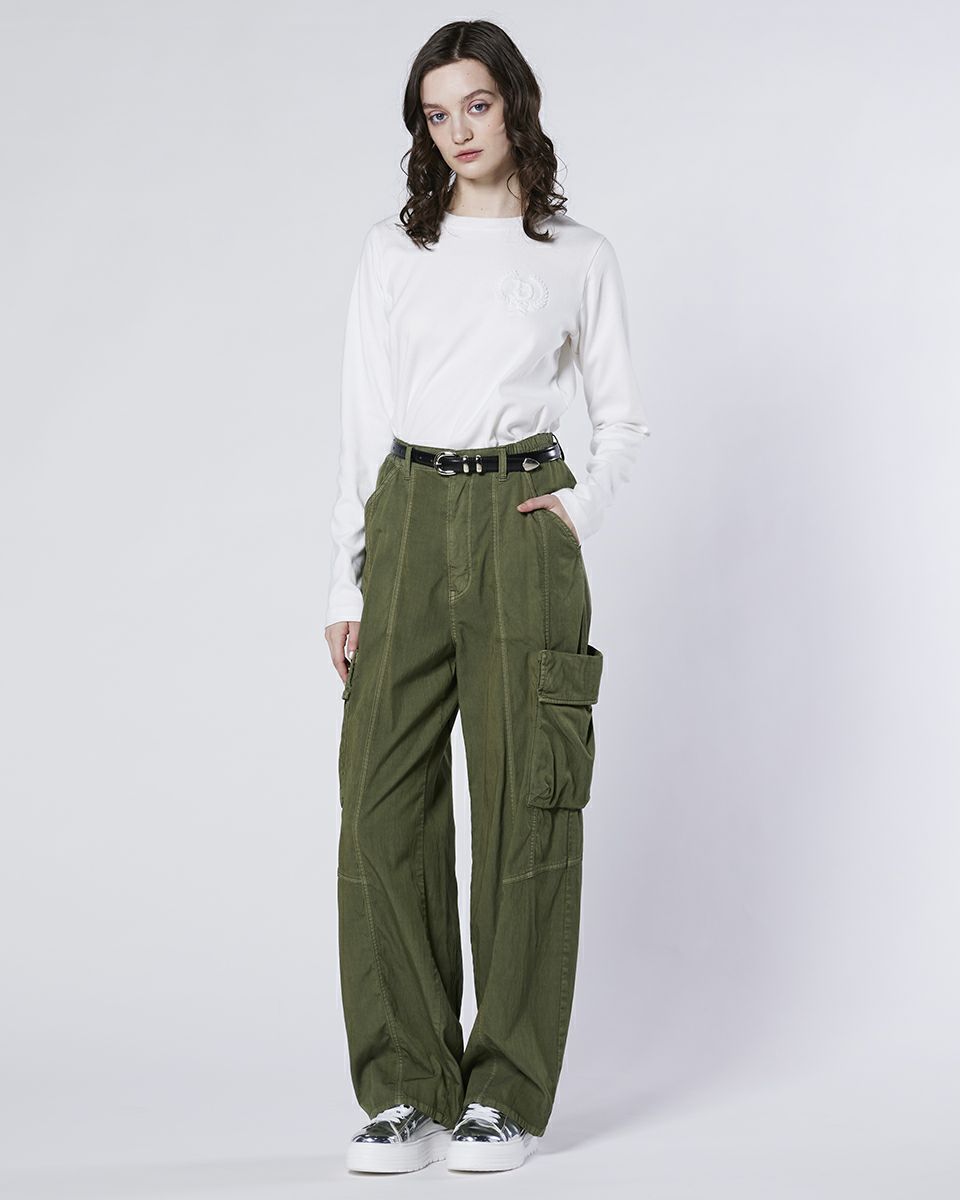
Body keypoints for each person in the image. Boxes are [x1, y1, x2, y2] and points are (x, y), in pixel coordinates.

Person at [323, 19, 651, 1175]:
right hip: (408, 512)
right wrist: (343, 577)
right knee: (380, 804)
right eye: (435, 113)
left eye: (474, 104)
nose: (457, 130)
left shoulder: (574, 254)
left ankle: (502, 1092)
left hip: (520, 519)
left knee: (528, 801)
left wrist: (578, 510)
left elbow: (622, 417)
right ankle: (406, 1088)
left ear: (514, 103)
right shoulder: (393, 251)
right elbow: (361, 421)